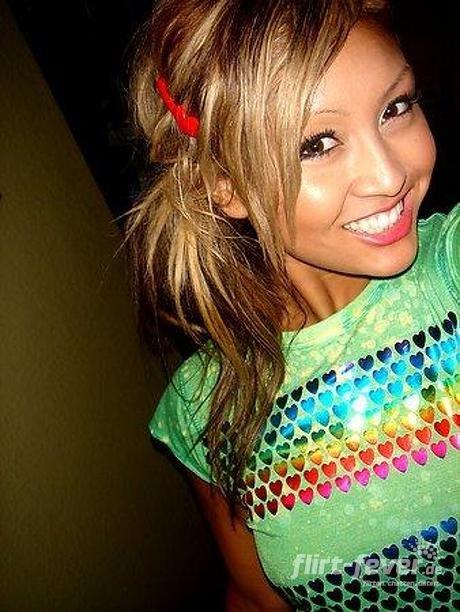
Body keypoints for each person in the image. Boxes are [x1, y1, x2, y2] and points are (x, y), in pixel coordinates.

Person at [124, 0, 459, 609]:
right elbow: (258, 598)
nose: (389, 175)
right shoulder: (205, 407)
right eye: (318, 143)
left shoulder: (451, 269)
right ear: (226, 186)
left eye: (396, 107)